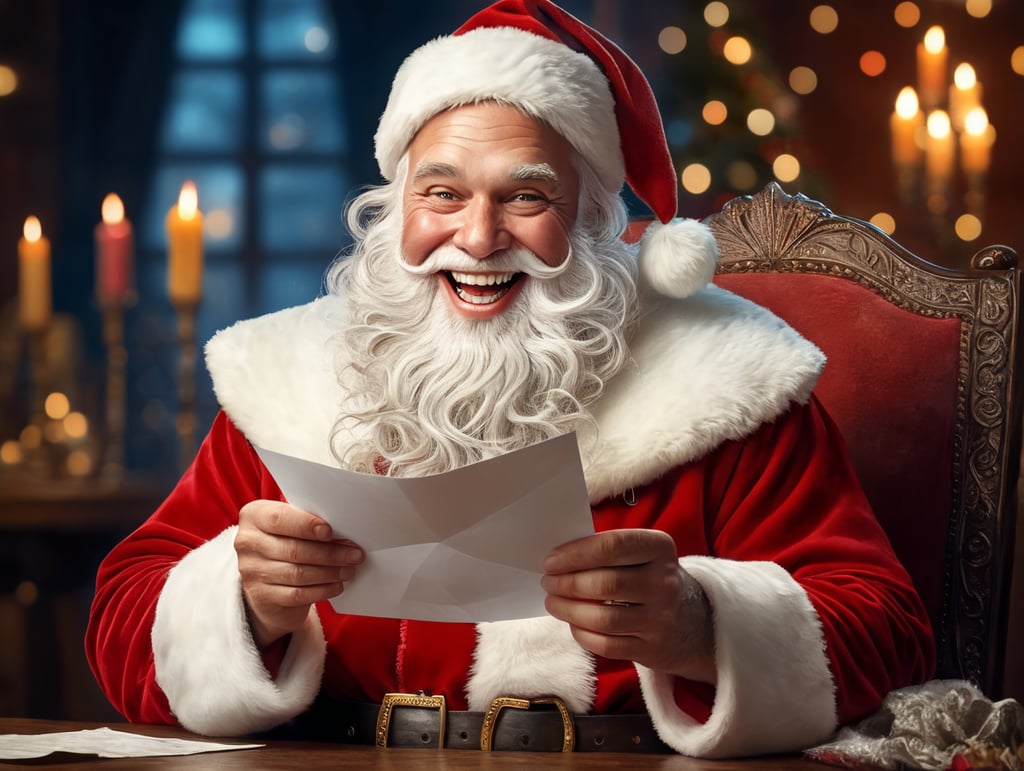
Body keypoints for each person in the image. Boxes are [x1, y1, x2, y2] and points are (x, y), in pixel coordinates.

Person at [86, 0, 935, 758]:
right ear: (397, 208)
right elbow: (122, 621)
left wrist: (699, 624)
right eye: (442, 193)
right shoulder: (290, 379)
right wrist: (246, 601)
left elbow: (890, 632)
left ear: (594, 218)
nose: (479, 236)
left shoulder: (724, 380)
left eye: (526, 197)